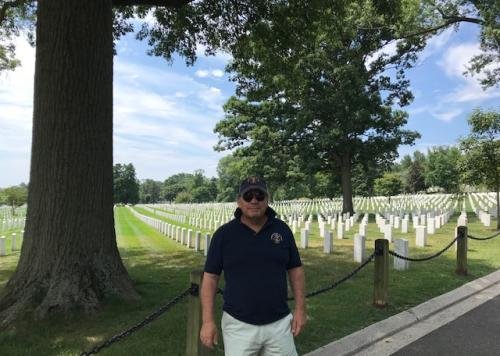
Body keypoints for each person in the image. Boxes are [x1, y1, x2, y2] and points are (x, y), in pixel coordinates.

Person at [200, 176, 306, 356]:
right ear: (239, 201)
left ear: (267, 200)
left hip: (279, 322)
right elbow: (210, 278)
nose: (254, 200)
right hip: (238, 324)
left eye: (260, 195)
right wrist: (208, 321)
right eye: (248, 196)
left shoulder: (282, 230)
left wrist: (301, 309)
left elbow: (296, 270)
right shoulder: (224, 235)